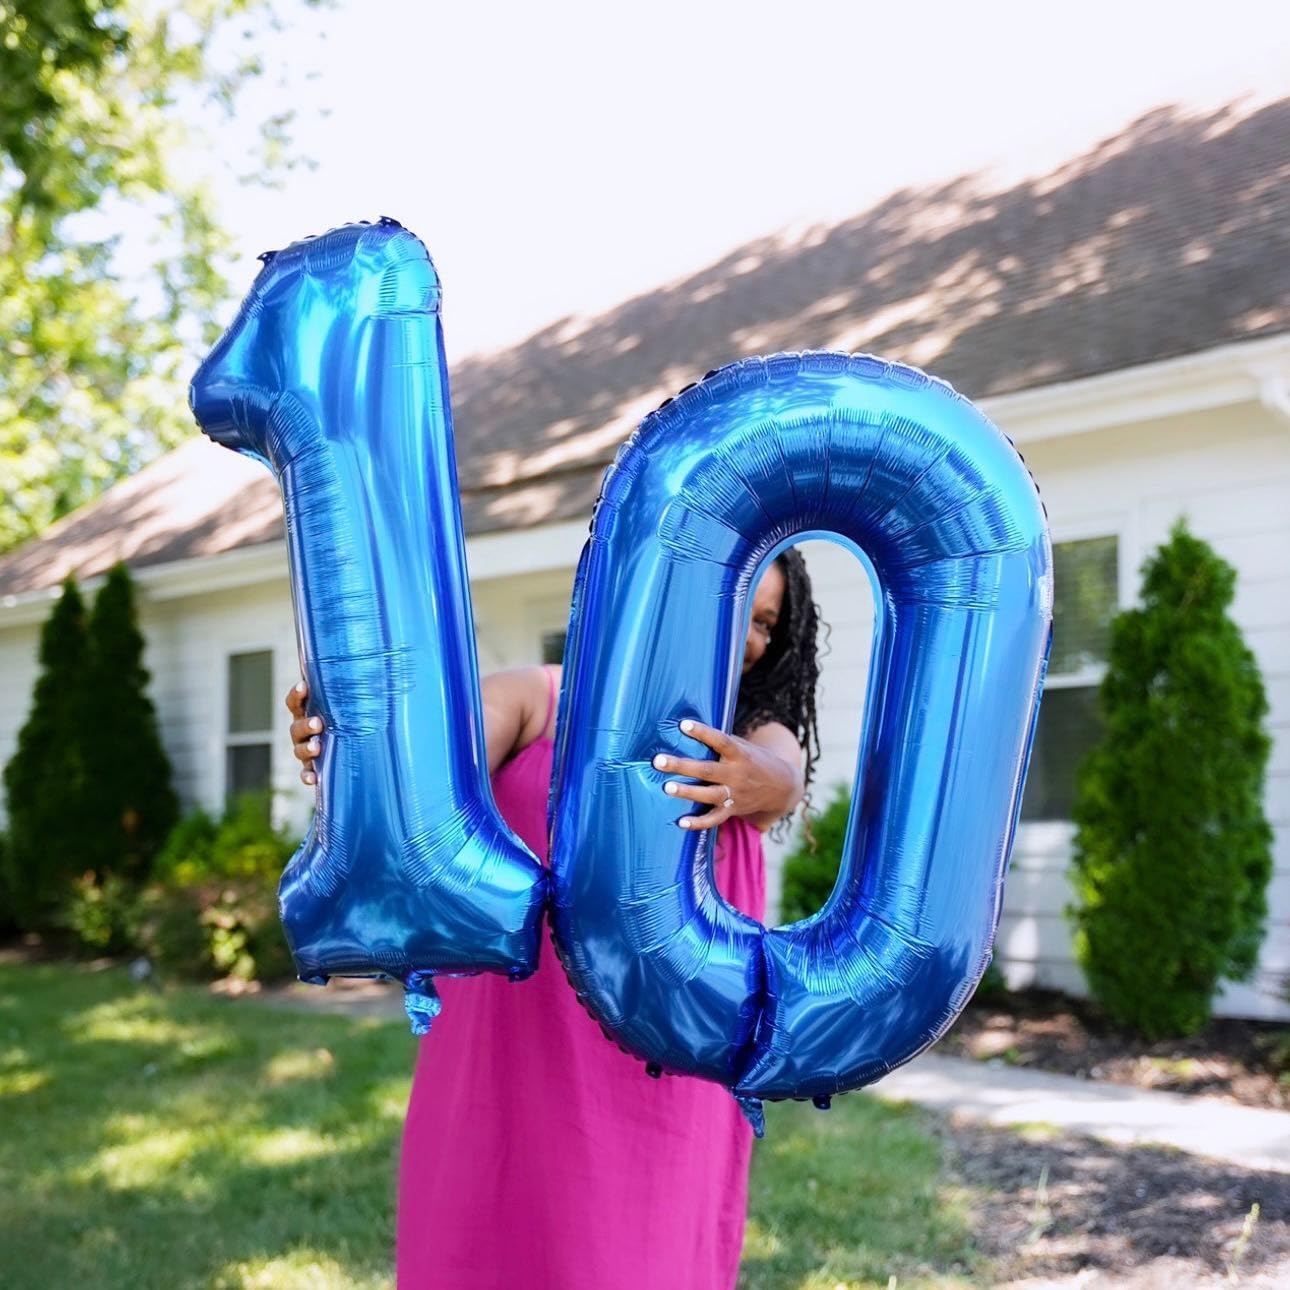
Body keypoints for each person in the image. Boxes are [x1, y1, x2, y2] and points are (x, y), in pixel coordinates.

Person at [287, 548, 823, 1290]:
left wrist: (738, 773)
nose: (751, 635)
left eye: (766, 622)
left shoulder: (752, 743)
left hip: (661, 1078)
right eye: (737, 602)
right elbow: (430, 769)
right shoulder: (540, 699)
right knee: (483, 1247)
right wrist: (352, 747)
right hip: (508, 1048)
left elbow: (782, 779)